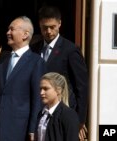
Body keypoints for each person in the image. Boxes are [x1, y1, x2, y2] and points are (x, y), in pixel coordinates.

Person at [30, 6, 89, 140]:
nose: (49, 31)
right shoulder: (33, 49)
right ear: (39, 25)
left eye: (52, 27)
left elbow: (82, 86)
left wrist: (80, 120)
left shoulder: (70, 50)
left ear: (60, 24)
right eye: (45, 27)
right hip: (39, 113)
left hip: (62, 112)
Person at [36, 72, 79, 141]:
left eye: (46, 89)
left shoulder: (68, 115)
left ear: (58, 90)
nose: (41, 92)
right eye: (40, 89)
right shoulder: (41, 114)